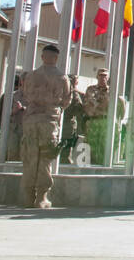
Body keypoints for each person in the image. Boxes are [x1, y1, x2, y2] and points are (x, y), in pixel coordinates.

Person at [18, 45, 68, 209]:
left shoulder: (31, 76)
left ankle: (27, 196)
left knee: (30, 156)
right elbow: (66, 101)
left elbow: (25, 96)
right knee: (45, 157)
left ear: (42, 57)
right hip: (49, 120)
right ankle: (41, 196)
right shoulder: (62, 77)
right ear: (56, 58)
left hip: (31, 119)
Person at [61, 74, 86, 164]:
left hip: (67, 124)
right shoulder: (74, 94)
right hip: (67, 124)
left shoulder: (75, 93)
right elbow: (79, 109)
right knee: (66, 149)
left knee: (65, 149)